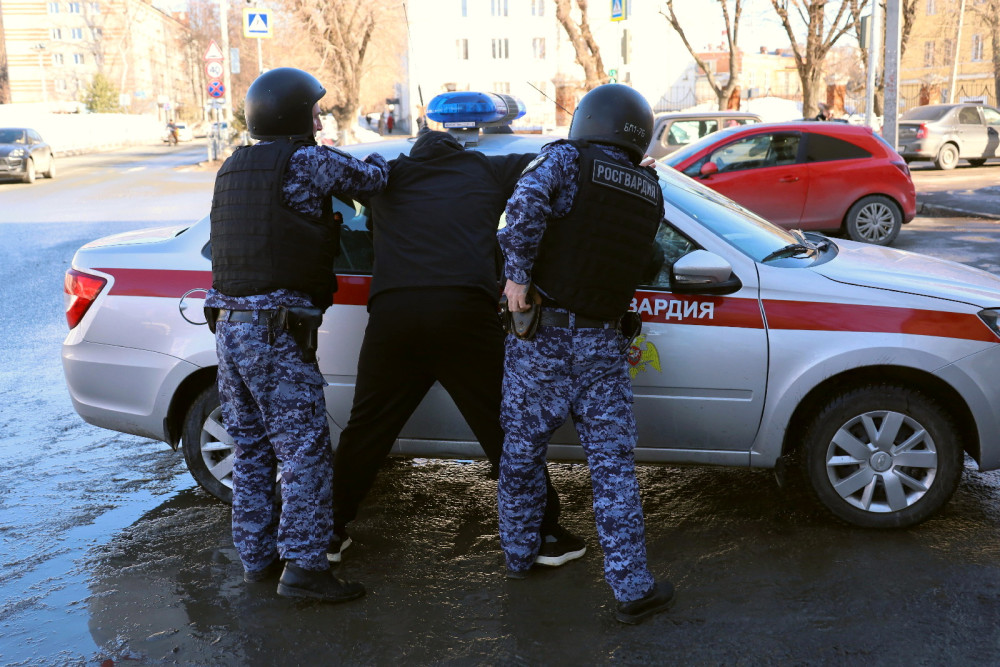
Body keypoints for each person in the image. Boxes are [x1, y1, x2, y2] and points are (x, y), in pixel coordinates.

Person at [329, 130, 585, 567]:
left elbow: (331, 176)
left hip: (395, 316)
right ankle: (544, 535)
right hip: (463, 314)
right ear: (460, 152)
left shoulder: (388, 174)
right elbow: (557, 159)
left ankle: (327, 532)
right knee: (503, 426)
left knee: (367, 429)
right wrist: (620, 156)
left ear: (413, 154)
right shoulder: (486, 168)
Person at [204, 67, 389, 602]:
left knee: (252, 449)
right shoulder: (307, 161)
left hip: (229, 329)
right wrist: (386, 160)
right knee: (304, 451)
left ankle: (258, 559)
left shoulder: (232, 165)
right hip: (273, 334)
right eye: (314, 113)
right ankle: (306, 569)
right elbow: (373, 179)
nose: (319, 122)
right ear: (292, 115)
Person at [497, 83, 674, 625]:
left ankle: (520, 554)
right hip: (603, 343)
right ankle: (632, 589)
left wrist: (516, 277)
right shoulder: (650, 188)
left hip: (544, 338)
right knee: (613, 467)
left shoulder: (566, 160)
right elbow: (643, 257)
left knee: (522, 451)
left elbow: (521, 209)